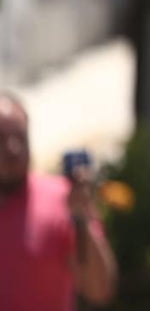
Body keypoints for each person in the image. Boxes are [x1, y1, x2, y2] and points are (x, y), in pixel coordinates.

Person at [0, 90, 117, 311]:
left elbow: (99, 290)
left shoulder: (62, 199)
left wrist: (81, 221)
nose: (13, 149)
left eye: (20, 137)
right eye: (1, 138)